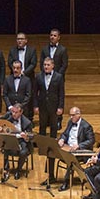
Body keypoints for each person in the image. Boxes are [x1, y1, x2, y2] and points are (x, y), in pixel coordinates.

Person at [34, 57, 65, 185]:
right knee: (42, 126)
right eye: (44, 64)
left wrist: (60, 107)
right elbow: (35, 92)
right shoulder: (38, 76)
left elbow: (61, 93)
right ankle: (42, 146)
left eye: (48, 65)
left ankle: (52, 144)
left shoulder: (58, 77)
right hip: (42, 107)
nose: (45, 67)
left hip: (53, 107)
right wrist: (35, 105)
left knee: (53, 128)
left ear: (53, 65)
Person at [0, 104, 33, 181]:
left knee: (23, 152)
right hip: (10, 139)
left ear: (21, 112)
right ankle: (6, 170)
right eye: (12, 111)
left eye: (16, 112)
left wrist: (26, 137)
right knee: (6, 145)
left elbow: (31, 137)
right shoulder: (8, 116)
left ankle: (18, 170)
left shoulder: (27, 122)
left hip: (22, 142)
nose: (13, 114)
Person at [57, 107, 95, 191]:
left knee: (70, 159)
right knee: (51, 151)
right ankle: (51, 177)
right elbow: (65, 133)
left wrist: (79, 145)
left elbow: (91, 140)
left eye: (73, 115)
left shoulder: (86, 126)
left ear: (79, 115)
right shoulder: (70, 122)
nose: (71, 117)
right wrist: (62, 139)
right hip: (68, 147)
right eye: (70, 115)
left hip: (80, 151)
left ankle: (66, 182)